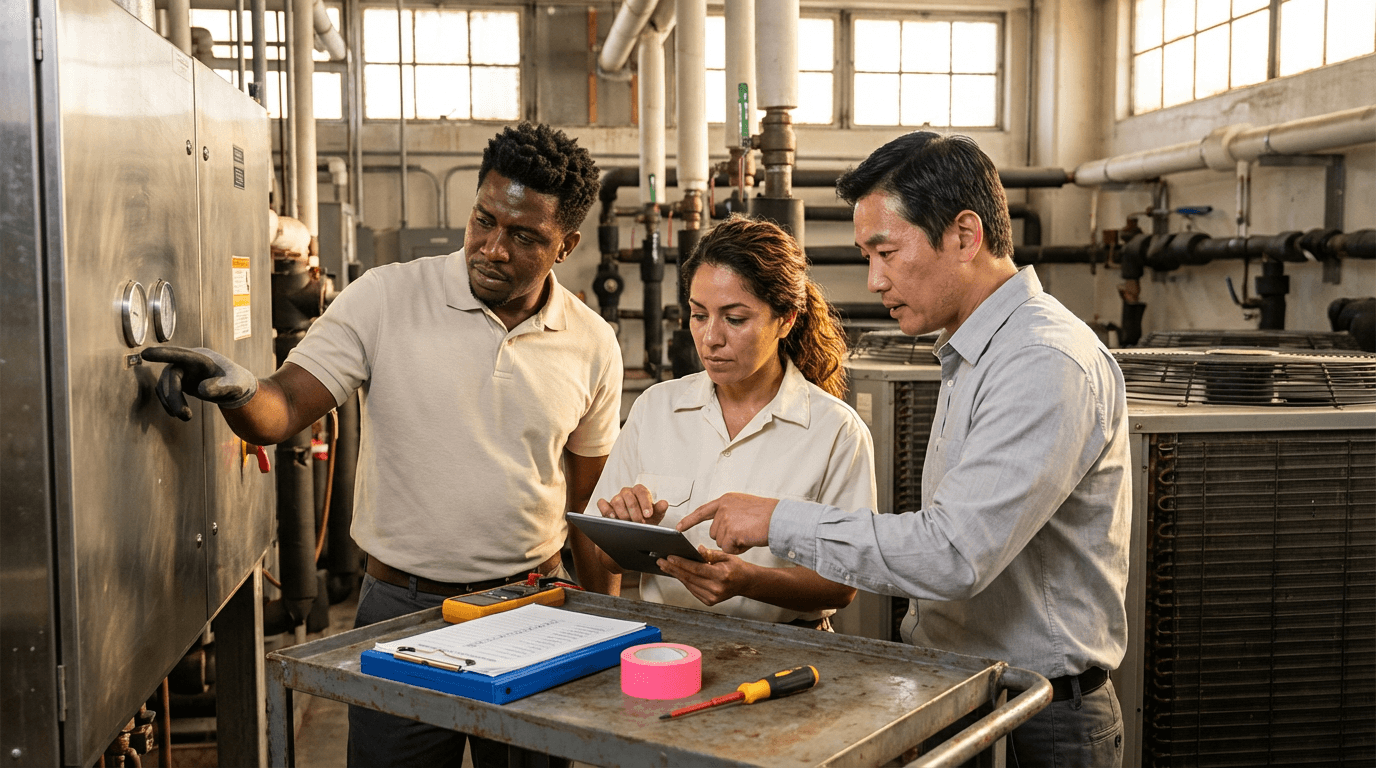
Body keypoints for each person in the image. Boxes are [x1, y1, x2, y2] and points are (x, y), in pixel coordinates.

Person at [141, 123, 620, 768]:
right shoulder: (387, 297)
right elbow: (282, 406)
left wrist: (607, 632)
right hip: (402, 612)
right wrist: (236, 391)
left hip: (531, 607)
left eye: (524, 237)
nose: (493, 248)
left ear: (566, 245)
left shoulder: (592, 343)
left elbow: (589, 502)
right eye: (483, 220)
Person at [679, 133, 1132, 767]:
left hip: (1040, 715)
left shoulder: (1041, 362)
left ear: (964, 236)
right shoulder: (973, 352)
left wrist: (778, 518)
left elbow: (951, 553)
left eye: (886, 251)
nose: (874, 280)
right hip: (966, 686)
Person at [583, 215, 876, 628]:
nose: (710, 338)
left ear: (786, 319)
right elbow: (605, 557)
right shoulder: (656, 409)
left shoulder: (835, 432)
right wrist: (625, 528)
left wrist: (749, 582)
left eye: (734, 319)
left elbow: (841, 585)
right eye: (699, 315)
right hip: (667, 644)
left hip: (788, 648)